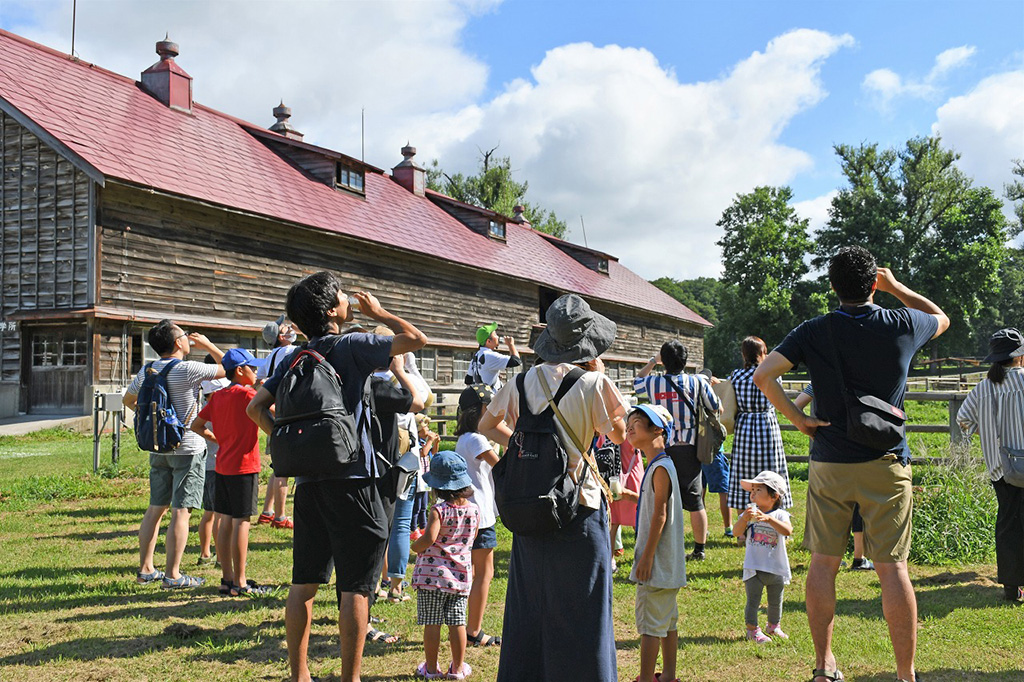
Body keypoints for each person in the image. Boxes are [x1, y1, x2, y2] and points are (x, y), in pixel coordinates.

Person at [752, 246, 949, 682]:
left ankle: (823, 666)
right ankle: (905, 674)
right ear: (874, 284)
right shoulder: (902, 323)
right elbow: (941, 317)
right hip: (886, 461)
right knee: (893, 569)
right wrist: (898, 287)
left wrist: (800, 419)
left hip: (830, 463)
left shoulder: (813, 330)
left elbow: (763, 376)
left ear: (832, 286)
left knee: (823, 564)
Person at [246, 271, 426, 682]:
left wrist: (292, 445)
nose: (349, 298)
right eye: (343, 295)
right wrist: (378, 311)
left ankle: (299, 675)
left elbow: (255, 409)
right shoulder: (352, 345)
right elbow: (415, 340)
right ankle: (351, 678)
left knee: (303, 583)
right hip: (355, 481)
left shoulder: (294, 357)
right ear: (332, 311)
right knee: (355, 587)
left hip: (309, 484)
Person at [480, 293, 627, 682]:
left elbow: (487, 427)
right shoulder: (595, 382)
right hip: (579, 502)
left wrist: (528, 444)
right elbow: (617, 432)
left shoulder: (522, 379)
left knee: (531, 609)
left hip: (531, 503)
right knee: (585, 609)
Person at [123, 320, 224, 589]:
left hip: (158, 447)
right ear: (178, 342)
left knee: (156, 507)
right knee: (182, 511)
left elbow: (128, 400)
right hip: (188, 447)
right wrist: (208, 345)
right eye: (184, 335)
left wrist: (155, 423)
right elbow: (233, 369)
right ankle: (174, 575)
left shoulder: (148, 369)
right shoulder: (188, 369)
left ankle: (146, 569)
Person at [191, 348, 271, 596]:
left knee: (224, 521)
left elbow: (196, 425)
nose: (256, 372)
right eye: (252, 368)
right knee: (241, 522)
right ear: (240, 371)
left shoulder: (217, 397)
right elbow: (274, 418)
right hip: (245, 466)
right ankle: (242, 581)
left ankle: (227, 579)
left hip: (222, 464)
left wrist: (215, 438)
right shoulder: (249, 395)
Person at [634, 339, 720, 561]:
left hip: (662, 447)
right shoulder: (697, 382)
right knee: (695, 501)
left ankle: (662, 547)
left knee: (662, 498)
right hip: (690, 446)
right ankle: (699, 549)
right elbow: (715, 405)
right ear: (685, 360)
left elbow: (637, 381)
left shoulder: (653, 384)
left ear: (664, 361)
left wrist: (653, 360)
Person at [957, 327, 1024, 604]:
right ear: (1019, 354)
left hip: (1001, 468)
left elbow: (963, 420)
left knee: (1008, 523)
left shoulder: (983, 389)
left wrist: (989, 433)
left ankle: (1012, 588)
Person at [626, 404, 685, 682]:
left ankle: (646, 678)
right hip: (668, 566)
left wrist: (646, 557)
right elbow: (656, 505)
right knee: (667, 622)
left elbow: (660, 513)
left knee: (650, 626)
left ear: (658, 430)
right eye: (628, 423)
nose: (629, 427)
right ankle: (669, 675)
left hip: (657, 564)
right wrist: (630, 496)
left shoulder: (660, 466)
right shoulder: (661, 465)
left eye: (637, 422)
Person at [410, 451, 480, 680]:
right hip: (460, 577)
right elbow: (471, 539)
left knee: (432, 623)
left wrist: (416, 546)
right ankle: (458, 669)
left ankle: (431, 669)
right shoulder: (474, 510)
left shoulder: (439, 510)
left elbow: (429, 538)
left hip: (432, 577)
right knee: (457, 622)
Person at [795, 385, 872, 571]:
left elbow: (797, 405)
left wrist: (810, 428)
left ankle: (826, 558)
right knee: (859, 506)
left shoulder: (819, 378)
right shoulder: (863, 376)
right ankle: (859, 558)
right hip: (860, 448)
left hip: (828, 451)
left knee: (825, 507)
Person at [455, 383, 502, 647]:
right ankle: (474, 630)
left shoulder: (464, 438)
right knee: (485, 572)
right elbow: (501, 464)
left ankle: (466, 626)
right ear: (482, 409)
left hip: (471, 512)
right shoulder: (477, 439)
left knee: (472, 572)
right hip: (481, 515)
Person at [727, 337, 793, 517]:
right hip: (766, 424)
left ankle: (743, 525)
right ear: (762, 353)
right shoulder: (772, 375)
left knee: (743, 470)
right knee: (773, 469)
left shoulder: (736, 376)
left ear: (744, 354)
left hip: (745, 426)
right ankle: (776, 518)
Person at [732, 470, 793, 644]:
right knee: (753, 600)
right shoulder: (750, 513)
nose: (753, 493)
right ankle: (752, 630)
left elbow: (787, 531)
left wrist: (767, 519)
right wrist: (744, 519)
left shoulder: (780, 515)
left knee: (775, 601)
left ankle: (773, 626)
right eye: (753, 490)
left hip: (776, 567)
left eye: (758, 490)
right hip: (754, 567)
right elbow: (737, 532)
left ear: (773, 496)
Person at [256, 315, 299, 530]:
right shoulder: (290, 351)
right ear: (282, 336)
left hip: (276, 413)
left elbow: (259, 380)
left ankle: (267, 511)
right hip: (289, 411)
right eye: (287, 327)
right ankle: (281, 516)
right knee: (284, 467)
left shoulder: (270, 355)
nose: (291, 328)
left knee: (277, 464)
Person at [197, 354, 229, 567]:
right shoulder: (218, 406)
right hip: (218, 464)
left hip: (207, 465)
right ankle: (220, 556)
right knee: (219, 514)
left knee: (209, 513)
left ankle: (205, 554)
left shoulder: (204, 403)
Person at [699, 367, 733, 538]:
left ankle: (702, 528)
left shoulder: (694, 395)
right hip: (713, 450)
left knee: (700, 491)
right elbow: (720, 409)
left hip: (696, 448)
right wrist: (716, 385)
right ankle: (728, 528)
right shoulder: (710, 398)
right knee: (723, 490)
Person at [605, 436, 642, 572]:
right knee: (637, 519)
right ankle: (642, 558)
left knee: (613, 521)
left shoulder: (607, 429)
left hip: (613, 478)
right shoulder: (632, 429)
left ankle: (609, 561)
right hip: (632, 475)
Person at [411, 413, 440, 542]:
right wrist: (430, 441)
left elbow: (433, 453)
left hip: (425, 479)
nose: (428, 429)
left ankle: (423, 526)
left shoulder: (424, 442)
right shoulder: (415, 442)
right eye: (425, 426)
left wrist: (435, 443)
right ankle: (413, 529)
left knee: (424, 505)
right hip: (417, 479)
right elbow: (423, 453)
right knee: (416, 506)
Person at [466, 322, 521, 390]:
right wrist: (511, 345)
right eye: (495, 334)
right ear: (488, 341)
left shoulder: (476, 356)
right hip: (493, 398)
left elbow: (468, 379)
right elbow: (516, 361)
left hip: (481, 397)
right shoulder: (489, 355)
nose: (498, 337)